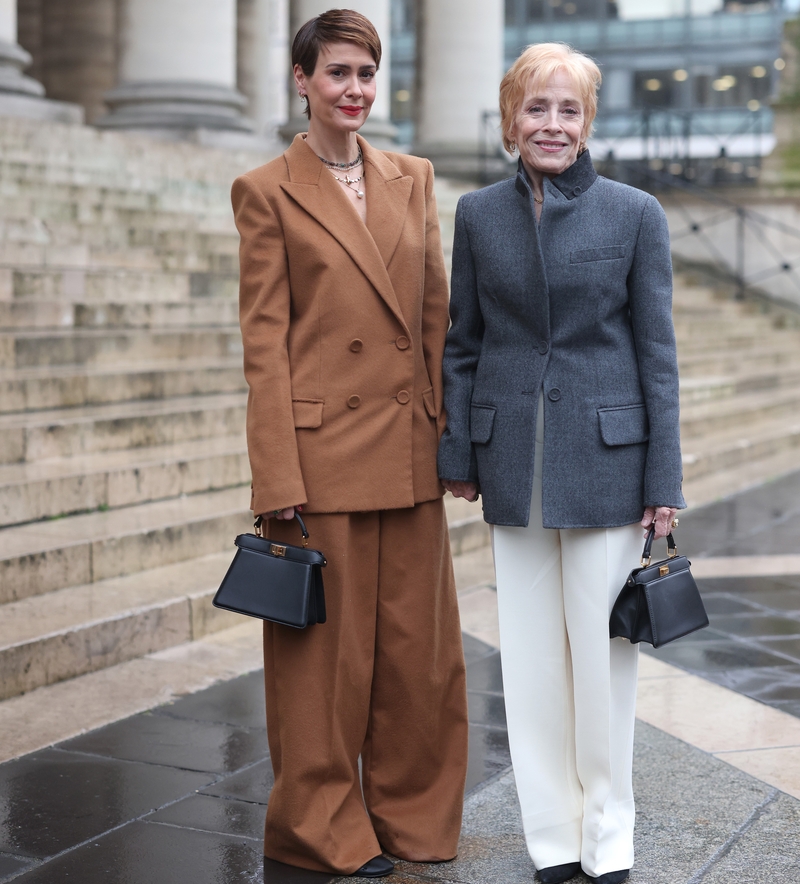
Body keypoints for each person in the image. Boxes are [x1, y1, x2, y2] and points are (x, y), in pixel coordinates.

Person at [438, 42, 684, 884]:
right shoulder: (476, 215)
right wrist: (459, 450)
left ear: (587, 122)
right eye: (535, 108)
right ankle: (552, 837)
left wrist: (664, 485)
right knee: (533, 665)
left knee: (600, 663)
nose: (551, 124)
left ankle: (607, 834)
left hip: (609, 467)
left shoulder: (635, 213)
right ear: (511, 120)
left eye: (567, 109)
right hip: (513, 464)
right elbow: (462, 344)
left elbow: (659, 358)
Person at [231, 9, 469, 880]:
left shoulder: (412, 176)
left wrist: (456, 445)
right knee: (322, 664)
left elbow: (436, 316)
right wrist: (275, 473)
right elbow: (265, 342)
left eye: (366, 74)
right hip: (321, 456)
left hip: (408, 446)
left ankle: (412, 816)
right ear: (303, 80)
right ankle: (318, 826)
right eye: (337, 73)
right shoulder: (266, 189)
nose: (355, 91)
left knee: (419, 655)